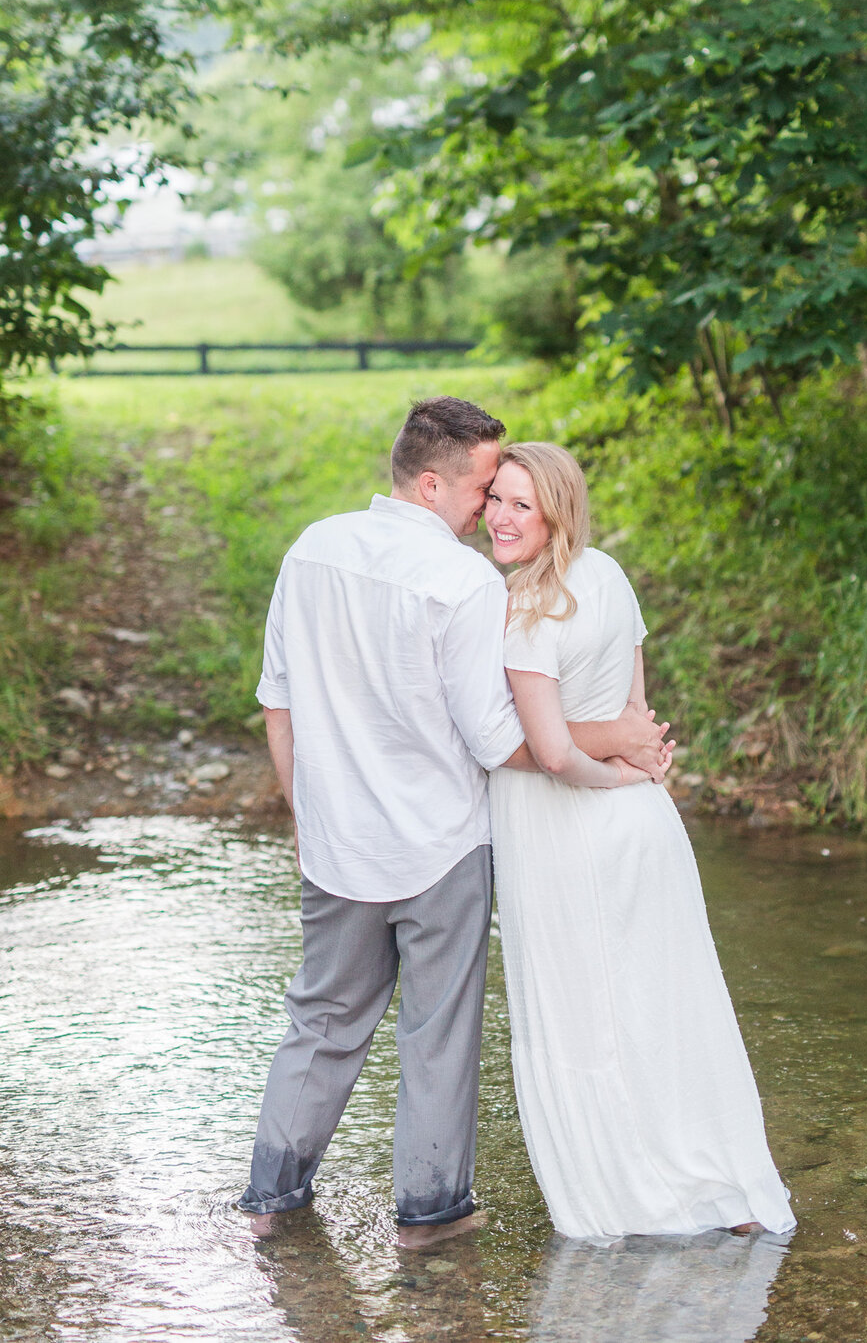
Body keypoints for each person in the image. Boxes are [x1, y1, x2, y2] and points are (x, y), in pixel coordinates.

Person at [237, 397, 670, 1248]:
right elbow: (504, 742)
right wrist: (616, 738)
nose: (488, 507)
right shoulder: (464, 582)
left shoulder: (311, 548)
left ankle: (270, 1200)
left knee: (321, 1024)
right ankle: (429, 1218)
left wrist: (305, 818)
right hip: (440, 849)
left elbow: (277, 706)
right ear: (432, 483)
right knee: (436, 1037)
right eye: (481, 488)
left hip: (337, 847)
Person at [485, 441, 796, 1242]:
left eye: (523, 503)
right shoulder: (611, 575)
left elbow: (551, 752)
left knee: (586, 1015)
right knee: (669, 1006)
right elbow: (639, 712)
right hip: (648, 830)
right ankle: (722, 1184)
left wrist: (618, 775)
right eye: (496, 498)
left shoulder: (524, 606)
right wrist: (640, 764)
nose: (501, 515)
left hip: (572, 831)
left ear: (557, 510)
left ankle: (630, 1198)